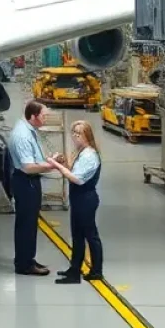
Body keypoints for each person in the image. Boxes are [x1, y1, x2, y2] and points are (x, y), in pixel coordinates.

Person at [7, 100, 61, 276]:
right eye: (43, 116)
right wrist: (51, 166)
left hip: (30, 181)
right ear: (33, 116)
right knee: (26, 224)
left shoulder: (30, 130)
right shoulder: (23, 135)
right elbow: (28, 167)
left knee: (30, 223)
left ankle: (28, 258)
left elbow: (34, 159)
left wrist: (49, 160)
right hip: (26, 181)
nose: (45, 119)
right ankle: (24, 265)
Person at [48, 120, 103, 284]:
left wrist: (56, 165)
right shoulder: (82, 151)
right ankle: (74, 269)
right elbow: (74, 169)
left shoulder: (89, 155)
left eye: (79, 133)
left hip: (85, 199)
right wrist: (64, 162)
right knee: (77, 236)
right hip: (78, 199)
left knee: (90, 235)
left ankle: (96, 270)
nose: (75, 136)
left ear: (87, 135)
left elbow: (77, 178)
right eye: (74, 133)